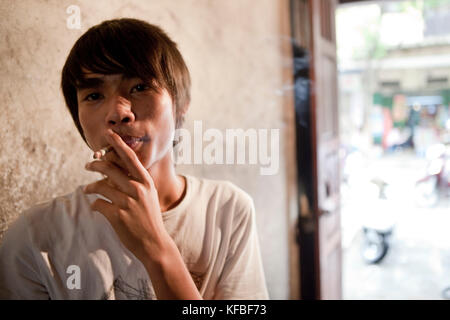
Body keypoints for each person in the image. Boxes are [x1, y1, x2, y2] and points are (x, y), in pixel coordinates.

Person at [0, 18, 268, 300]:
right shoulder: (34, 237)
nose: (118, 112)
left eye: (140, 87)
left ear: (181, 105)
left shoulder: (226, 211)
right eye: (93, 95)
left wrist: (157, 249)